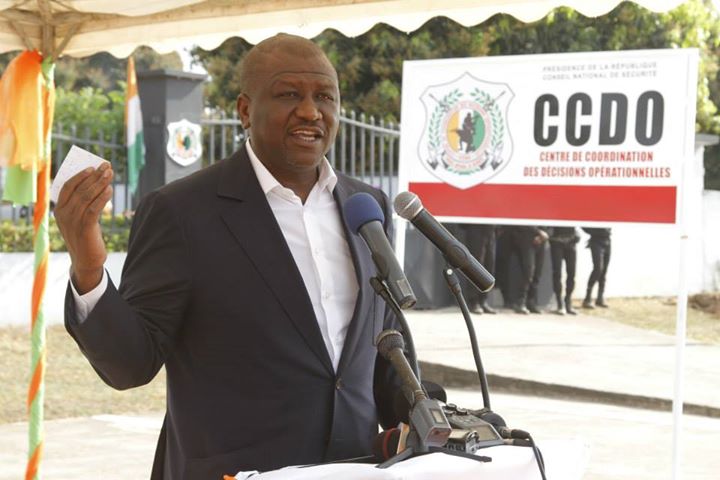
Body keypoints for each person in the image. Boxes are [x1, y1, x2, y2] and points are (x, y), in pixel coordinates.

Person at [55, 34, 402, 480]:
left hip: (354, 468)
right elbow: (130, 364)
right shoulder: (182, 211)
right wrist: (88, 270)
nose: (311, 111)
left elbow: (387, 346)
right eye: (289, 95)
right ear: (244, 110)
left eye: (325, 97)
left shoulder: (366, 206)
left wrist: (432, 417)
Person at [495, 225, 548, 314]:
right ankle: (520, 302)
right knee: (528, 271)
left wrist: (544, 234)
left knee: (537, 273)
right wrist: (538, 232)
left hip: (543, 238)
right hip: (525, 236)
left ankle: (531, 302)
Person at [462, 224, 497, 314]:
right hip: (476, 228)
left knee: (489, 265)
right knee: (475, 265)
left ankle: (483, 301)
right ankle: (473, 302)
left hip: (490, 229)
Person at [548, 226, 580, 315]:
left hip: (571, 242)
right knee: (557, 273)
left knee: (571, 273)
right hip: (556, 241)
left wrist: (577, 234)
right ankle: (559, 303)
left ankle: (568, 302)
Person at [582, 227, 612, 308]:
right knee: (598, 269)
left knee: (604, 271)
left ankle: (600, 298)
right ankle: (587, 299)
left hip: (607, 240)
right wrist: (593, 232)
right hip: (596, 241)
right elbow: (583, 225)